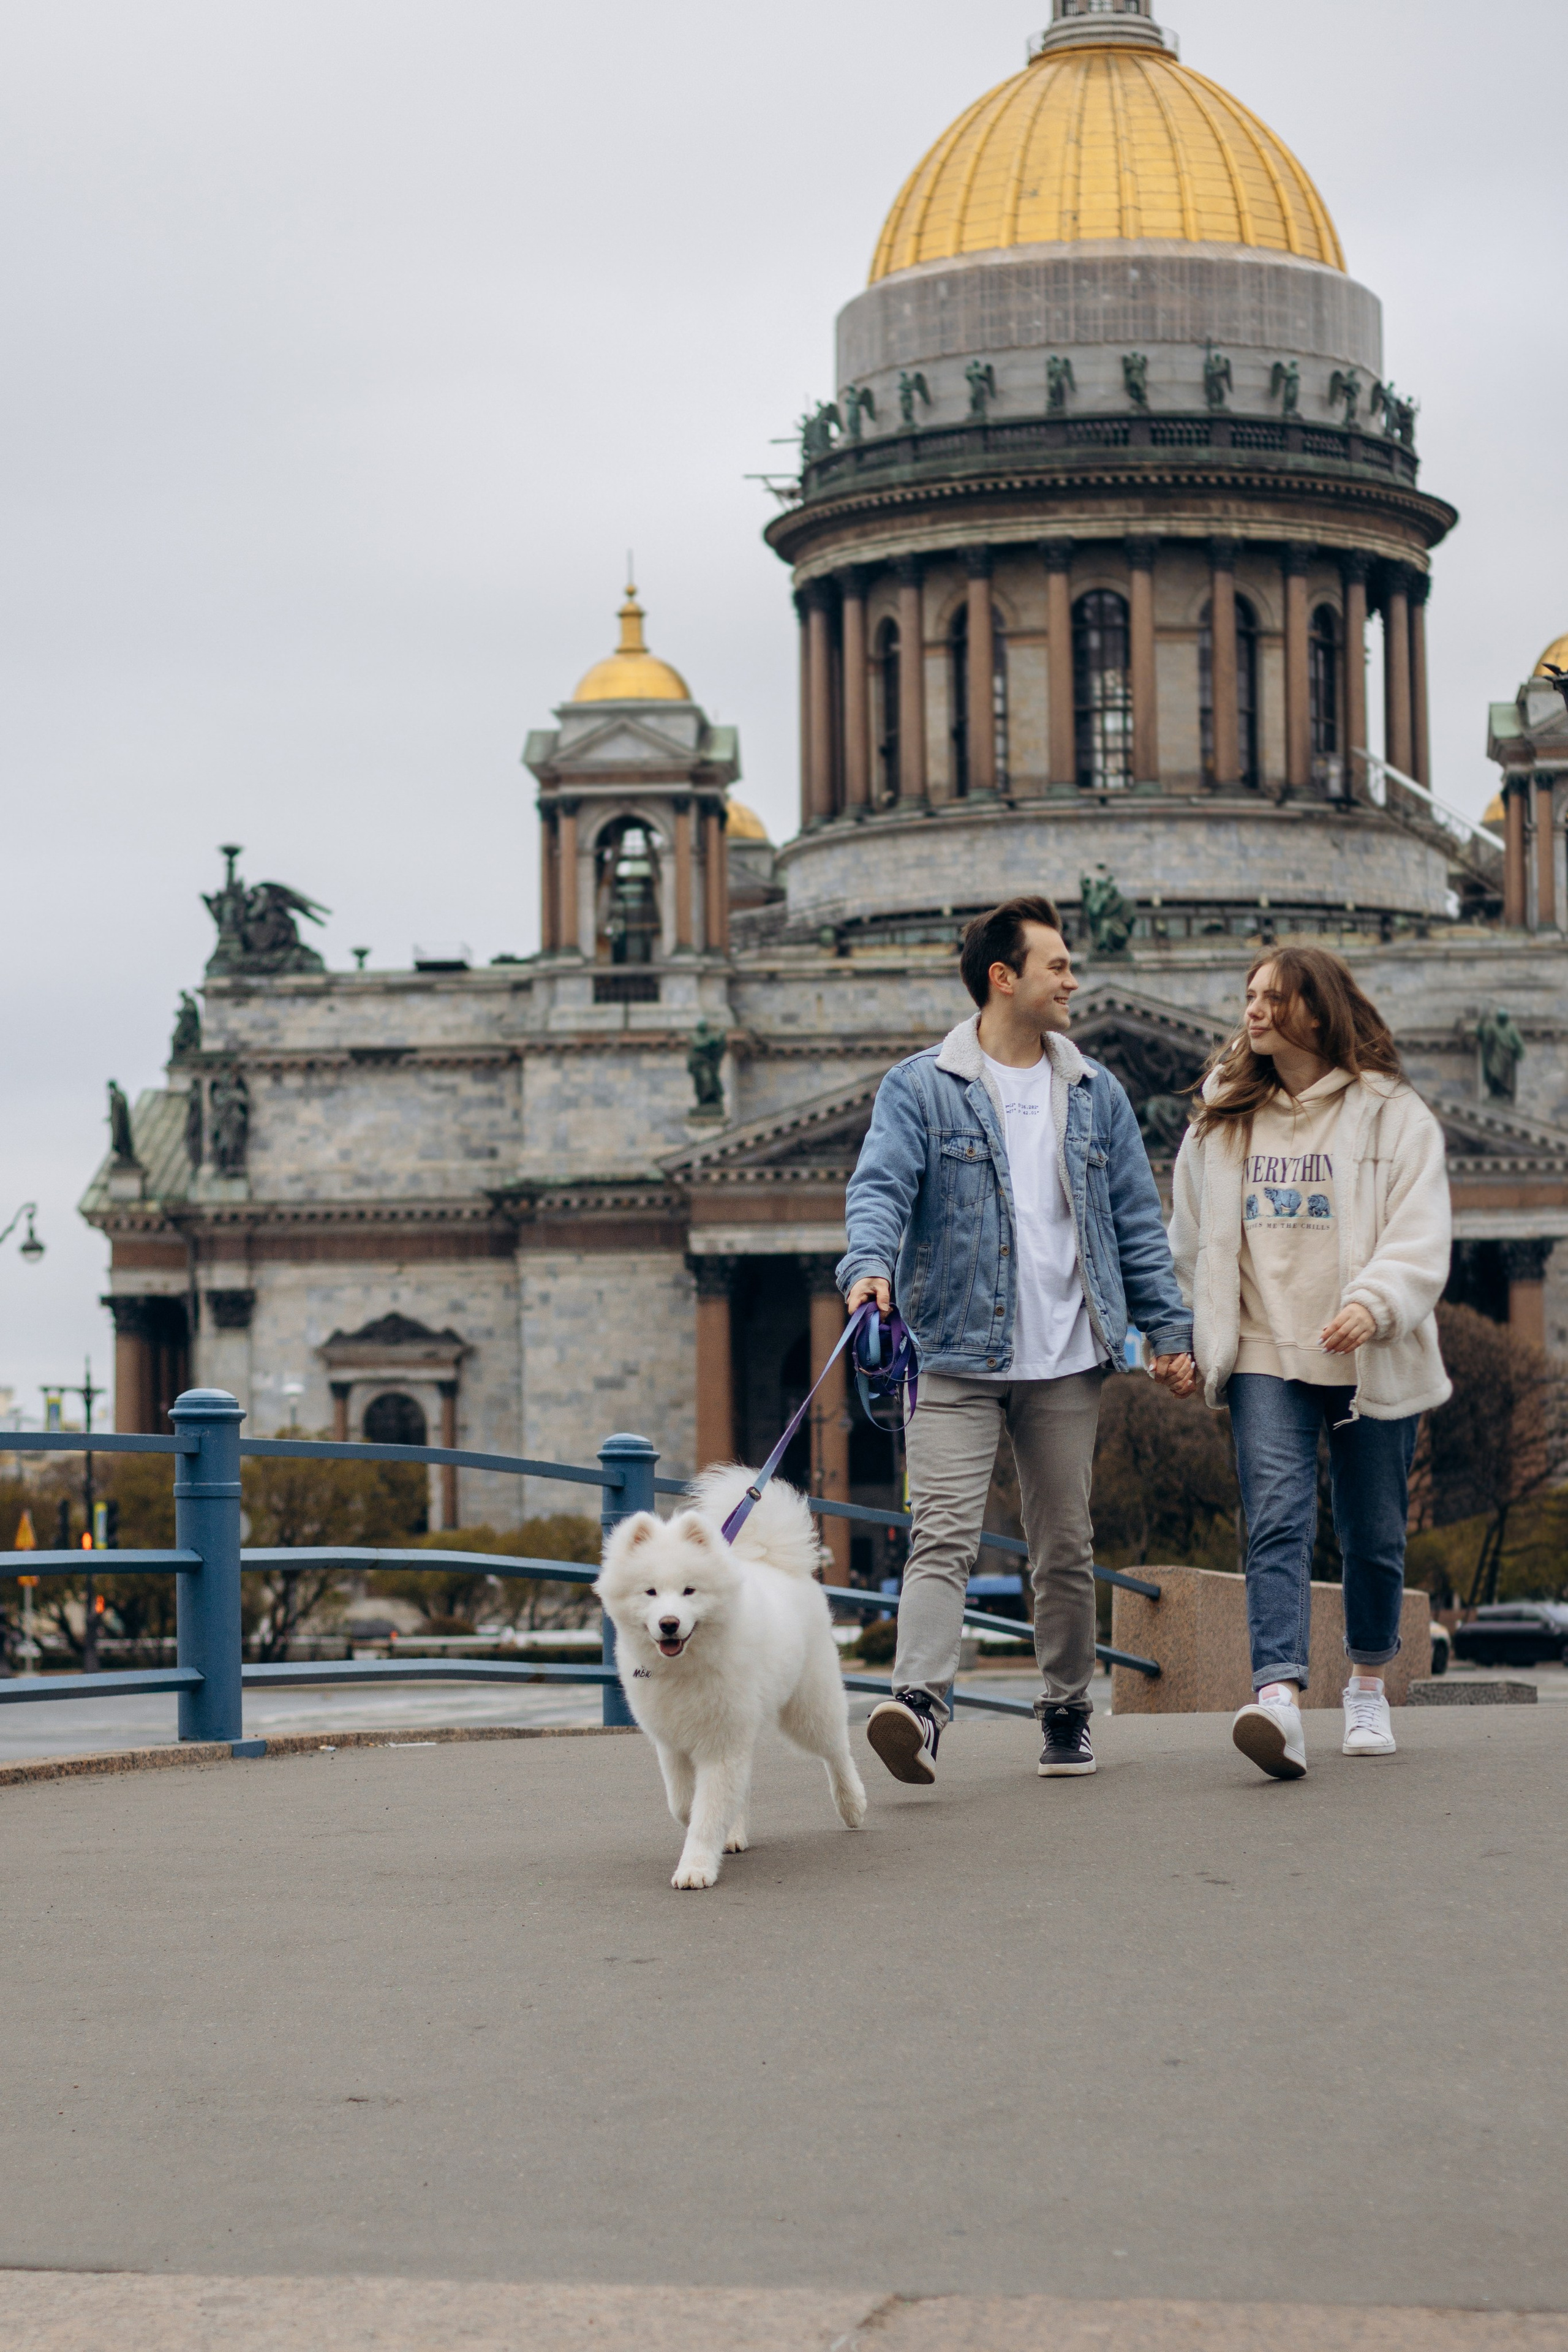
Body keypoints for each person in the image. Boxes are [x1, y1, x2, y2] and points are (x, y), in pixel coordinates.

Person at [838, 895, 1196, 1786]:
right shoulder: (920, 1086)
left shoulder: (1098, 1092)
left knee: (1063, 1546)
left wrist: (1167, 1332)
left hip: (1068, 1359)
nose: (1074, 981)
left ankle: (1068, 1710)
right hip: (954, 1353)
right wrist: (868, 1266)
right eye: (1058, 968)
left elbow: (1136, 1226)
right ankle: (920, 1706)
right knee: (943, 1535)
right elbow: (880, 1188)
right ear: (1004, 979)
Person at [1169, 947, 1451, 1780]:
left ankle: (1366, 1681)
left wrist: (1375, 1301)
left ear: (1318, 1013)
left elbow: (1421, 1230)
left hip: (1370, 1353)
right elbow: (1192, 1238)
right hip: (1265, 1348)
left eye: (1273, 998)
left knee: (1372, 1534)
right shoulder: (1221, 1118)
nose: (1252, 1010)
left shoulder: (1392, 1114)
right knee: (1278, 1520)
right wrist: (1195, 1333)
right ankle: (1279, 1698)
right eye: (1250, 996)